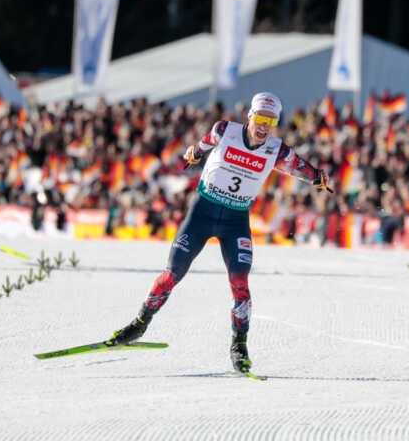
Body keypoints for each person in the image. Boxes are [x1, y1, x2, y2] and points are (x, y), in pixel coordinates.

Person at [108, 92, 331, 373]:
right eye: (260, 119)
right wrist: (193, 154)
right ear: (250, 116)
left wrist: (318, 178)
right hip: (202, 213)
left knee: (240, 283)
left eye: (270, 122)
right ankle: (138, 325)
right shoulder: (225, 130)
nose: (264, 127)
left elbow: (301, 168)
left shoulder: (277, 150)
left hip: (235, 222)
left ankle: (239, 347)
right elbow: (203, 145)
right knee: (173, 273)